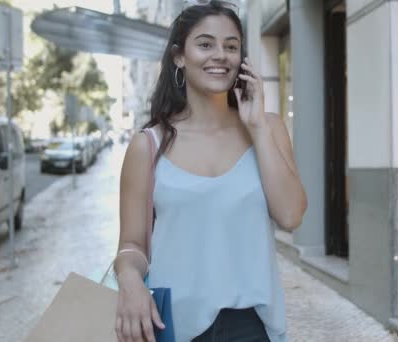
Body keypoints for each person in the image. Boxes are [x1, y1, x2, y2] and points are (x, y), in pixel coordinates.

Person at [114, 1, 307, 341]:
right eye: (205, 44)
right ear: (179, 56)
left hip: (252, 325)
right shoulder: (147, 147)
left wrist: (258, 127)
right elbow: (132, 243)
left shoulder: (269, 128)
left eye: (231, 46)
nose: (220, 55)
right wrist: (129, 279)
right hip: (170, 323)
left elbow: (290, 216)